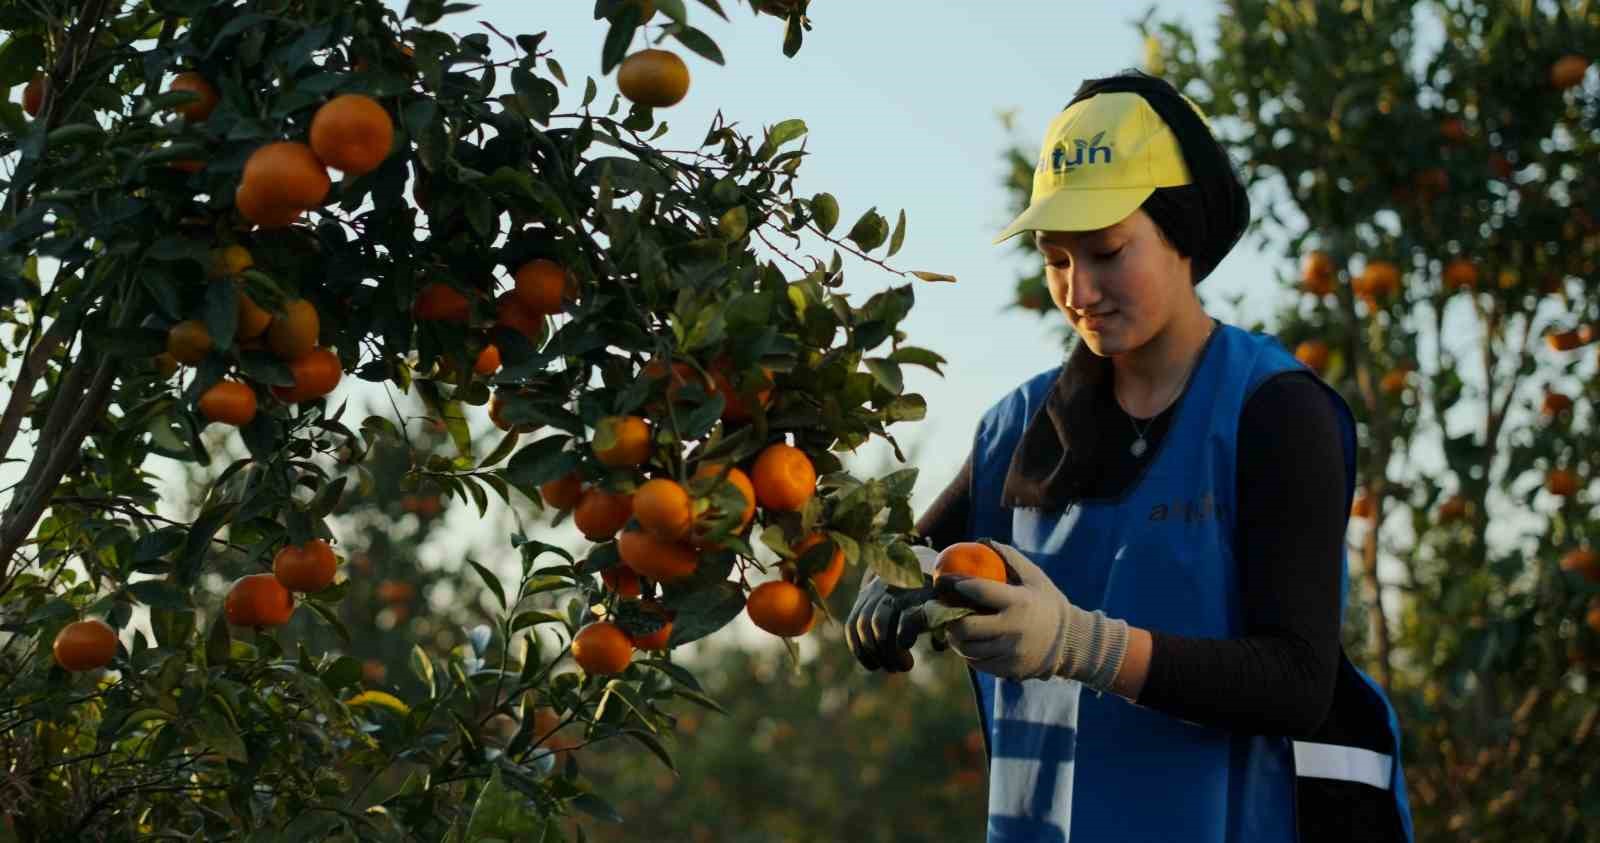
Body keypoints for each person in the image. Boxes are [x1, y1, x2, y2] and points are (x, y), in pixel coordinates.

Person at [845, 71, 1414, 843]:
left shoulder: (1274, 411)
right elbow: (919, 550)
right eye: (1055, 258)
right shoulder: (1018, 429)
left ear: (1181, 230)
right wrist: (892, 578)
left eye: (1108, 251)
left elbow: (1296, 681)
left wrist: (1080, 645)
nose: (1080, 289)